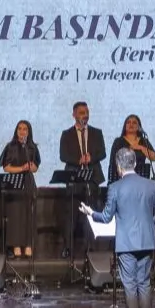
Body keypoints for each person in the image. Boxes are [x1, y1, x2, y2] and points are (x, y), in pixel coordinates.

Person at [80, 148, 155, 308]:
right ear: (135, 163)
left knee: (130, 285)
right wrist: (149, 224)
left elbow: (106, 217)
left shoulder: (115, 187)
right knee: (144, 283)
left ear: (118, 167)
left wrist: (90, 213)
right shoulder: (150, 185)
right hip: (147, 242)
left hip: (126, 243)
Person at [59, 101, 107, 258]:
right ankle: (68, 248)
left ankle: (91, 247)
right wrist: (77, 160)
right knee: (71, 214)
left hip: (92, 178)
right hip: (74, 178)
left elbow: (102, 152)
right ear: (74, 115)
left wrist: (91, 158)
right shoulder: (66, 134)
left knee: (92, 212)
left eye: (86, 112)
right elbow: (63, 155)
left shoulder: (96, 132)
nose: (84, 115)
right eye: (81, 113)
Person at [0, 120, 41, 258]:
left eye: (25, 129)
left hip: (28, 182)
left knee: (29, 214)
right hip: (15, 182)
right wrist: (21, 168)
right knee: (15, 214)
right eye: (19, 129)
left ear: (29, 132)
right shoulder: (10, 146)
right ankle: (15, 245)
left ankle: (28, 244)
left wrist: (30, 167)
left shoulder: (32, 147)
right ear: (16, 131)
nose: (22, 131)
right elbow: (6, 167)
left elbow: (36, 167)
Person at [107, 114, 155, 184]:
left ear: (139, 127)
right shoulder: (118, 141)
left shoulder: (143, 141)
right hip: (122, 179)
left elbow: (154, 158)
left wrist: (141, 147)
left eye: (134, 122)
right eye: (128, 122)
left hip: (141, 178)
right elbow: (113, 162)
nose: (131, 124)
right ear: (125, 126)